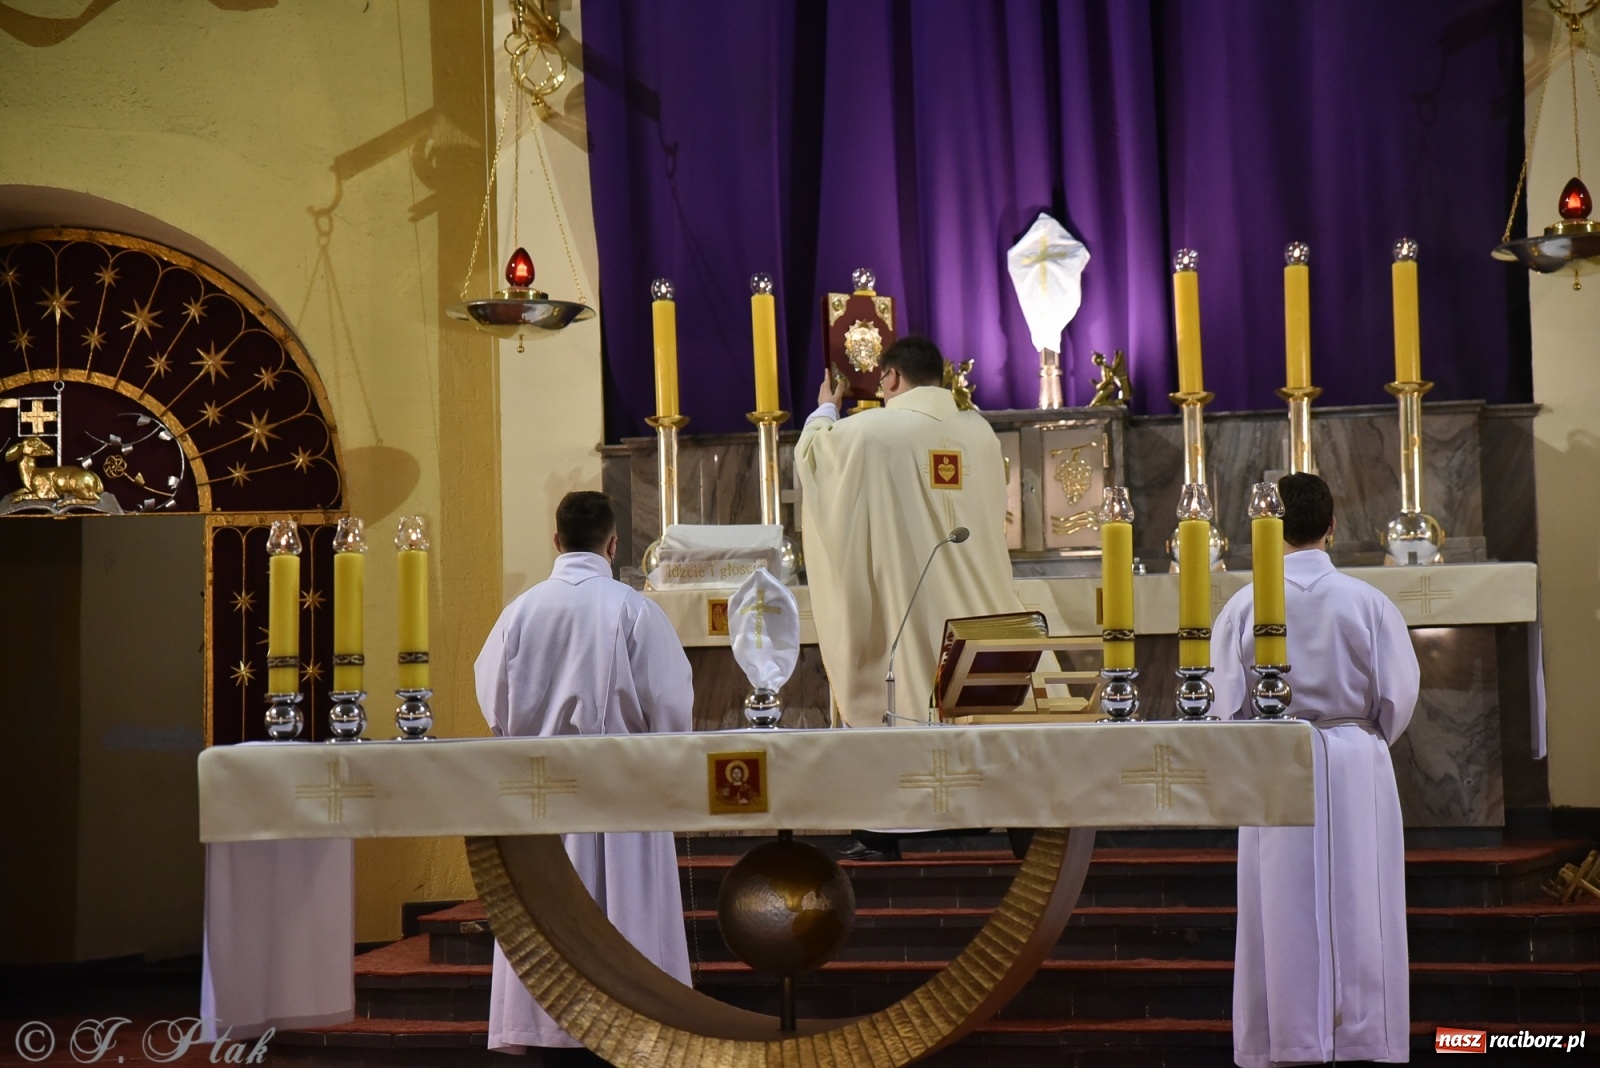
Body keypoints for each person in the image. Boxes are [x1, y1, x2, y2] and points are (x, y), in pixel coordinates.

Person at [473, 491, 694, 1057]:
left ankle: (543, 1031)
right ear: (613, 543)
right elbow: (670, 710)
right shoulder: (634, 609)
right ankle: (632, 1028)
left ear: (556, 541)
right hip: (623, 798)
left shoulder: (519, 612)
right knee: (627, 926)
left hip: (540, 800)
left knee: (544, 923)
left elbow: (494, 705)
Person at [1210, 473, 1419, 1068]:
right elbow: (1396, 699)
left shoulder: (1245, 604)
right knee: (1365, 898)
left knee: (1279, 906)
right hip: (1354, 758)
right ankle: (1363, 1039)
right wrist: (1357, 739)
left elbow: (1227, 707)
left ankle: (1286, 1040)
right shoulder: (1367, 601)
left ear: (1268, 532)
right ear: (1333, 527)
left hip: (1273, 762)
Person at [797, 334, 1024, 731]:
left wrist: (826, 409)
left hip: (915, 614)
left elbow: (813, 456)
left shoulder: (870, 432)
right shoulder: (982, 433)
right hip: (985, 622)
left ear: (892, 378)